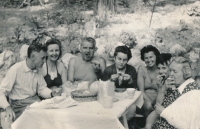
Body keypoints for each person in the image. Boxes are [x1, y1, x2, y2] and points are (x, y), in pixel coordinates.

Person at [0, 41, 62, 120]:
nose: (44, 61)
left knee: (54, 112)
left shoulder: (38, 68)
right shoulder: (15, 69)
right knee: (43, 117)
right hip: (19, 105)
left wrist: (52, 93)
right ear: (33, 57)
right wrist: (7, 107)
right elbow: (1, 91)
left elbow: (42, 89)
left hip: (34, 101)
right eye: (42, 58)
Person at [152, 56, 200, 128]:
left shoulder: (192, 91)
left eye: (175, 71)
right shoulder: (173, 84)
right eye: (170, 70)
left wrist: (164, 112)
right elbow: (158, 105)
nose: (171, 74)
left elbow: (188, 124)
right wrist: (163, 88)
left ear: (185, 73)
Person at [102, 45, 137, 121]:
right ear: (114, 58)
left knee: (132, 109)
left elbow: (135, 88)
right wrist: (110, 80)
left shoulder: (131, 70)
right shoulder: (108, 70)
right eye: (119, 59)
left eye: (124, 60)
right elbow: (103, 88)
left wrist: (130, 80)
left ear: (128, 60)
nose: (121, 62)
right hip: (113, 100)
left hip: (127, 100)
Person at [145, 53, 172, 129]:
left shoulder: (173, 81)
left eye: (164, 68)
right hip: (161, 108)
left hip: (170, 110)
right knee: (148, 123)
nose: (160, 71)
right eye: (159, 68)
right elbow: (158, 104)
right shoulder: (162, 80)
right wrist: (160, 87)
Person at [137, 45, 160, 118]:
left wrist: (156, 102)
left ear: (156, 56)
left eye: (151, 57)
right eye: (146, 58)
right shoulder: (142, 70)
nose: (149, 60)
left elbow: (162, 91)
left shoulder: (161, 70)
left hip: (159, 98)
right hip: (145, 99)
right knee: (147, 105)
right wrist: (149, 101)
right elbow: (141, 91)